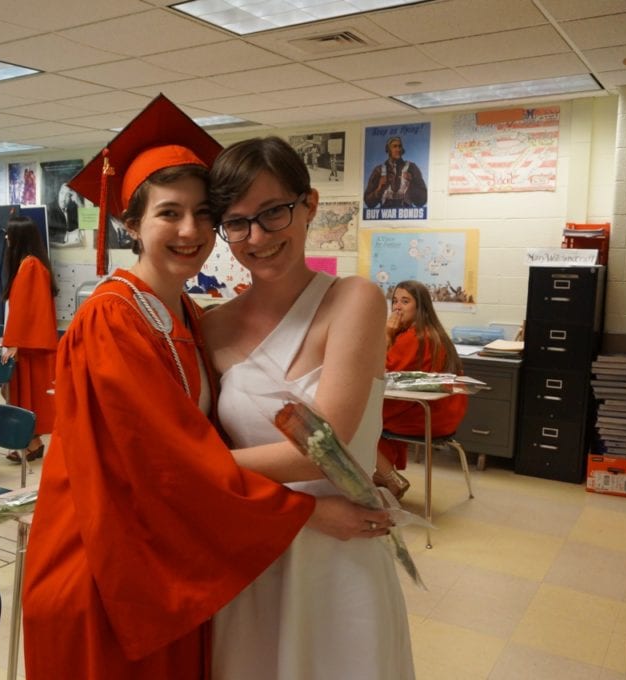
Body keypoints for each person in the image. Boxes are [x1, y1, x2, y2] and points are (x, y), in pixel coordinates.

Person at [20, 95, 387, 679]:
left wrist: (368, 456)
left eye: (205, 215)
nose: (192, 230)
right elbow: (159, 466)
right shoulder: (111, 319)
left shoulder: (187, 316)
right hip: (109, 572)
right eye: (169, 212)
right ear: (130, 224)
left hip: (172, 560)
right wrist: (302, 512)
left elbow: (204, 442)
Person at [203, 136, 415, 680]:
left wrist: (192, 467)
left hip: (339, 555)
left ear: (310, 205)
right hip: (257, 549)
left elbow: (329, 450)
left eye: (274, 212)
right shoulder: (212, 325)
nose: (257, 237)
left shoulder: (354, 300)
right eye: (237, 222)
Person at [377, 279, 469, 498]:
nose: (397, 307)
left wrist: (387, 335)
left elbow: (382, 372)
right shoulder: (432, 331)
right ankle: (381, 475)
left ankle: (390, 477)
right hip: (440, 414)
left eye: (405, 301)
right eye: (395, 301)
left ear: (420, 307)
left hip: (424, 416)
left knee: (355, 424)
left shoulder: (414, 337)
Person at [0, 215, 58, 463]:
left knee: (28, 396)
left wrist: (13, 343)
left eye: (9, 233)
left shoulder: (30, 265)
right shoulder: (28, 263)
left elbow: (27, 309)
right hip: (27, 344)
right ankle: (32, 442)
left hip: (29, 346)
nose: (6, 237)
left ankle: (30, 442)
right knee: (24, 396)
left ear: (19, 237)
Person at [363, 135, 427, 209]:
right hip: (385, 216)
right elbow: (369, 203)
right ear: (388, 149)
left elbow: (423, 200)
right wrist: (379, 189)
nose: (398, 149)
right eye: (395, 146)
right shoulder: (379, 170)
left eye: (400, 146)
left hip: (406, 215)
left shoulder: (412, 168)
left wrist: (411, 184)